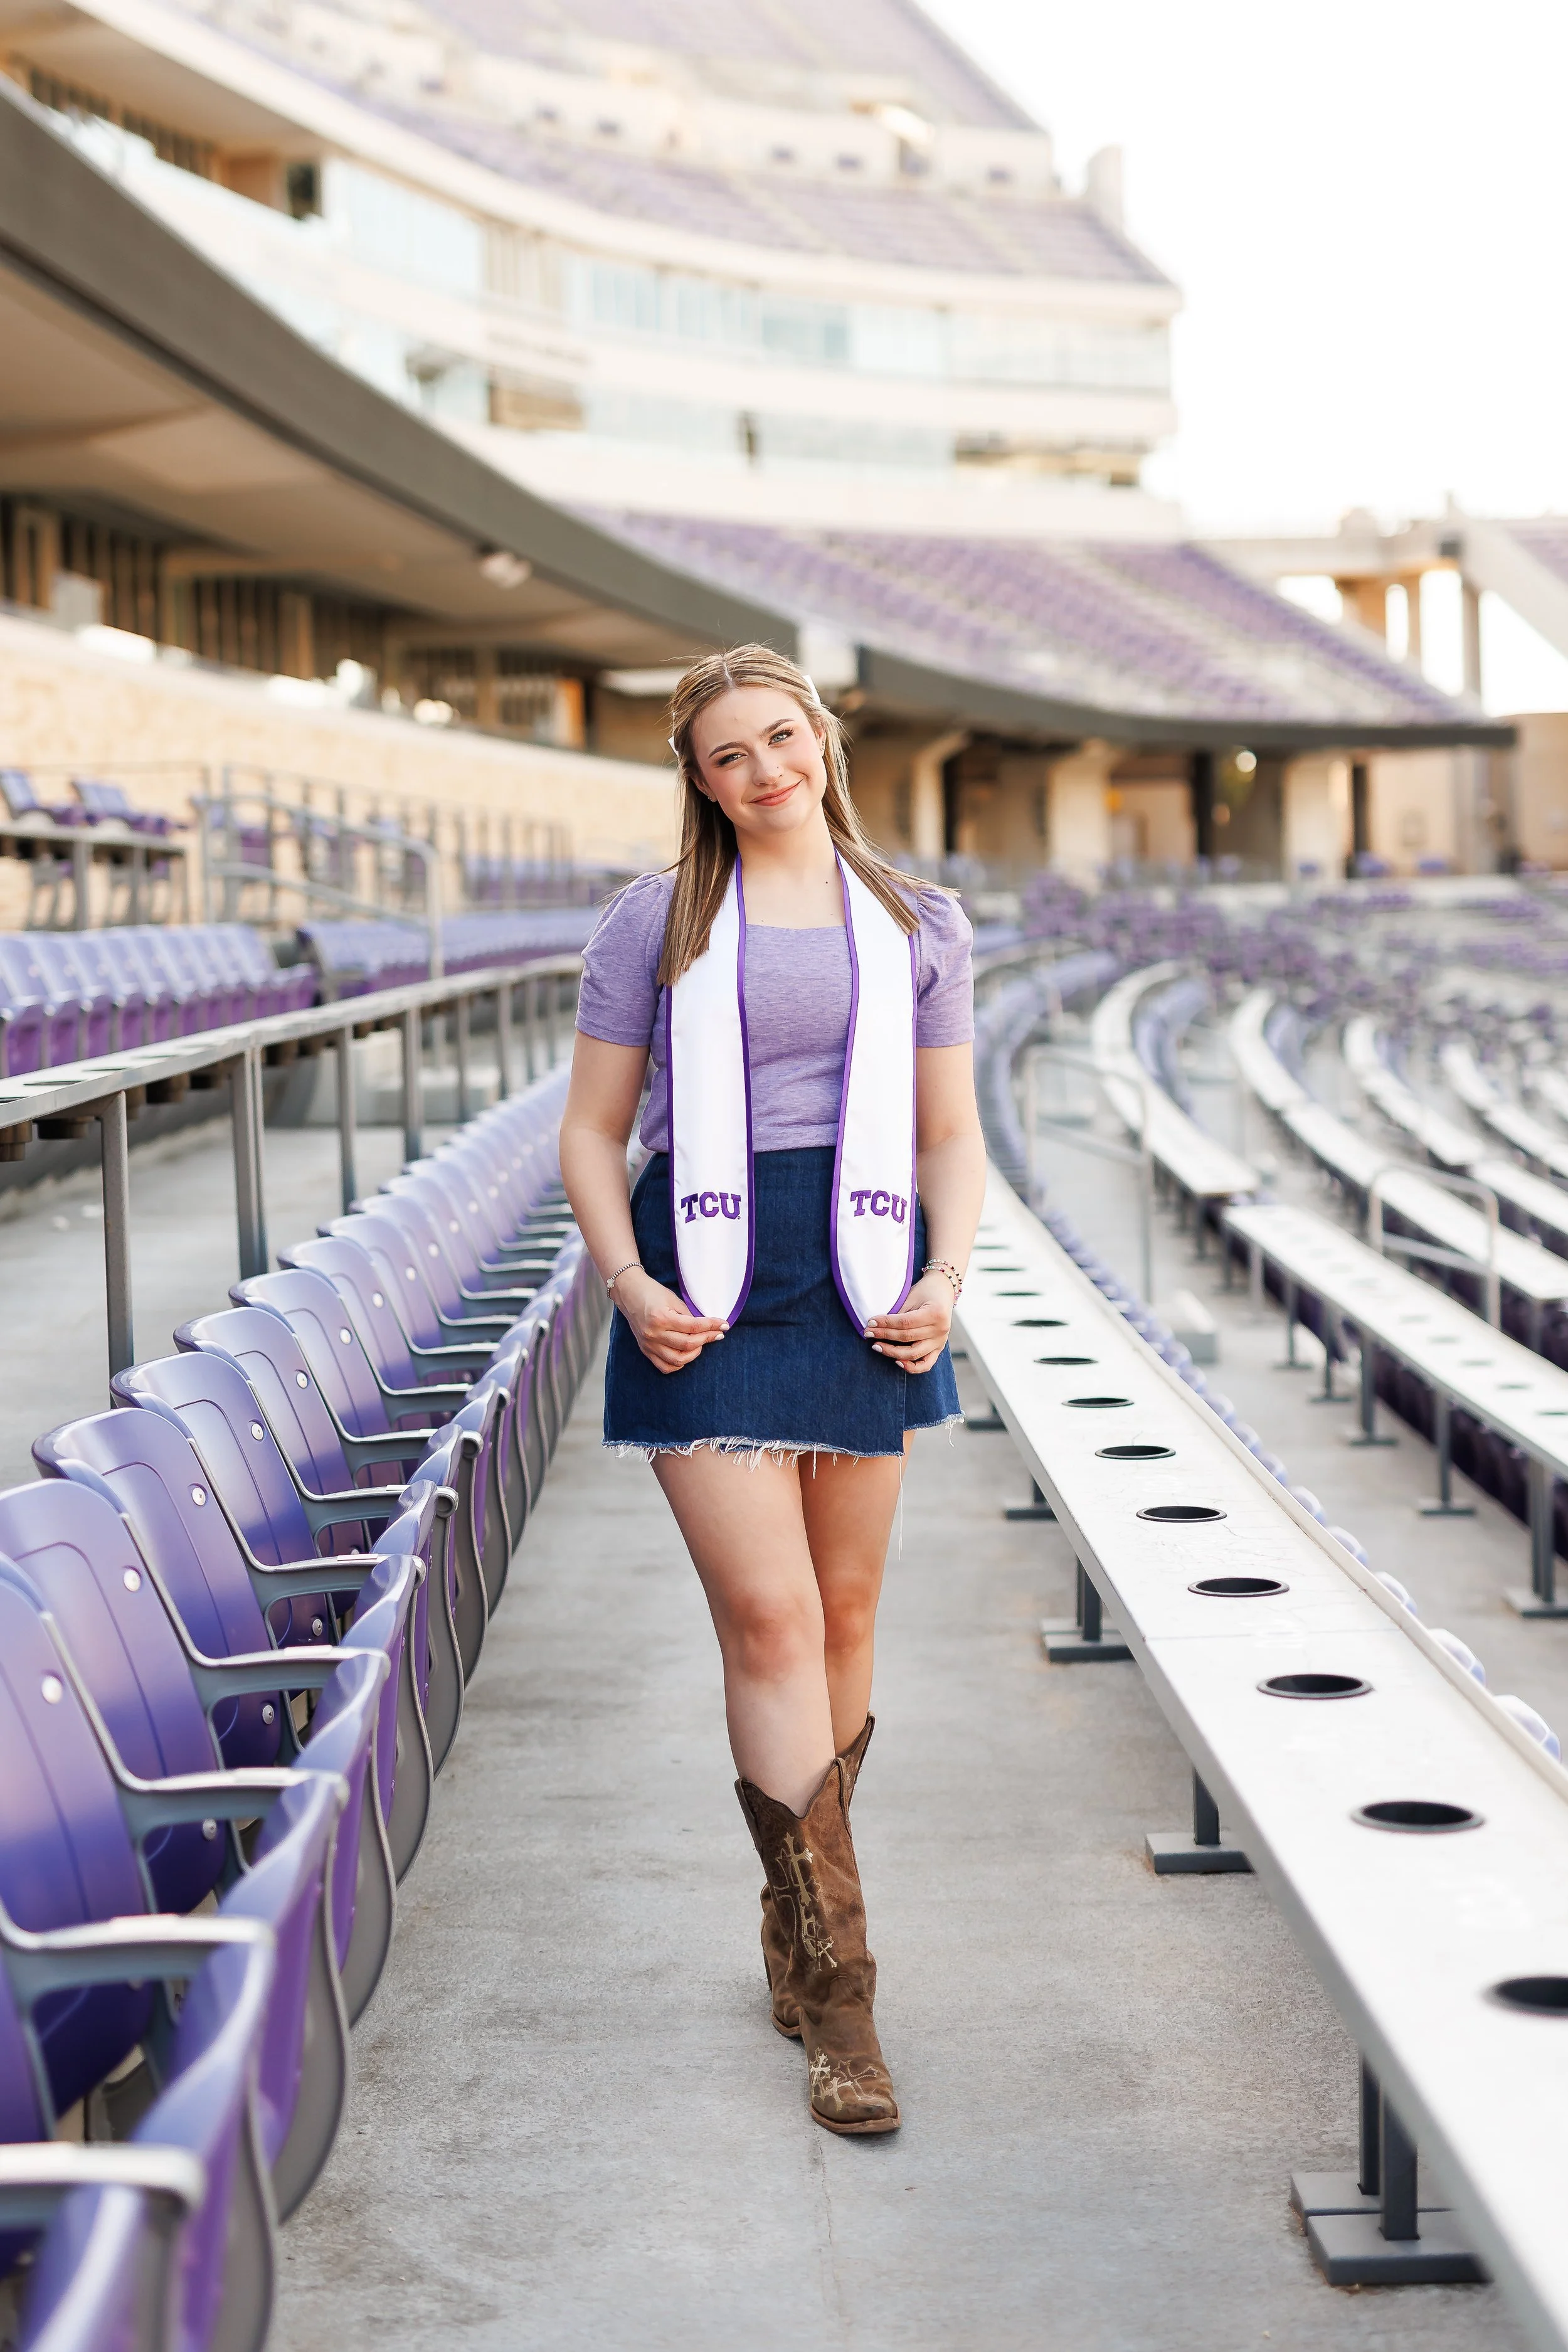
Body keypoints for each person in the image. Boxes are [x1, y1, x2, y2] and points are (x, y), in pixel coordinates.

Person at [559, 644, 985, 2136]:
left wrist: (947, 1275)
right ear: (695, 776)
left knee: (850, 1615)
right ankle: (846, 2001)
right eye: (727, 752)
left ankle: (790, 1920)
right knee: (770, 1616)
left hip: (865, 1277)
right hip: (706, 1277)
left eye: (781, 737)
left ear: (822, 740)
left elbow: (947, 1135)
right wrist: (629, 1280)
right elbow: (591, 1134)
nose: (763, 769)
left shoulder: (915, 920)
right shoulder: (653, 921)